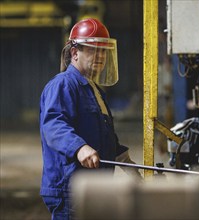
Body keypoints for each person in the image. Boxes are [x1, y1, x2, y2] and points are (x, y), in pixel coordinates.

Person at [39, 18, 140, 220]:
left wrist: (125, 160)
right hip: (70, 190)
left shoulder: (93, 90)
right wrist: (79, 148)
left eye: (103, 51)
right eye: (94, 50)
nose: (101, 56)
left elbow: (103, 135)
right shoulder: (63, 84)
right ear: (75, 53)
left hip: (93, 186)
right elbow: (53, 124)